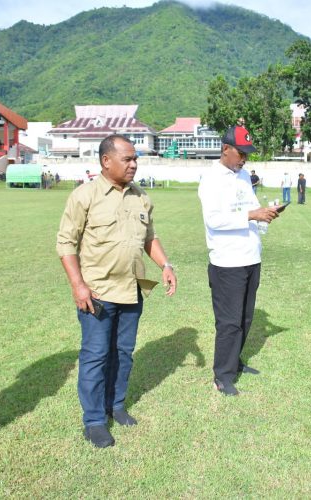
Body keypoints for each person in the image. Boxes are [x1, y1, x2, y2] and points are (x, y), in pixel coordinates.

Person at [57, 134, 177, 448]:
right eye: (127, 159)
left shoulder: (141, 198)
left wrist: (165, 265)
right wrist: (78, 286)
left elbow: (150, 237)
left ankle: (117, 405)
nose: (134, 164)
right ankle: (95, 420)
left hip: (131, 291)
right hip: (96, 292)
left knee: (123, 354)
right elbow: (66, 244)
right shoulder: (84, 196)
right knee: (96, 356)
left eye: (135, 159)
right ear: (105, 161)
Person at [198, 125, 280, 396]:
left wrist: (265, 214)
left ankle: (234, 362)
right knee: (229, 321)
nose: (244, 158)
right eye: (240, 153)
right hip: (227, 261)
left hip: (250, 256)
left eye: (247, 153)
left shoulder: (244, 176)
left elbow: (251, 209)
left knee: (245, 318)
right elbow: (214, 219)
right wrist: (252, 216)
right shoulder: (211, 179)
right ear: (225, 149)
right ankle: (222, 375)